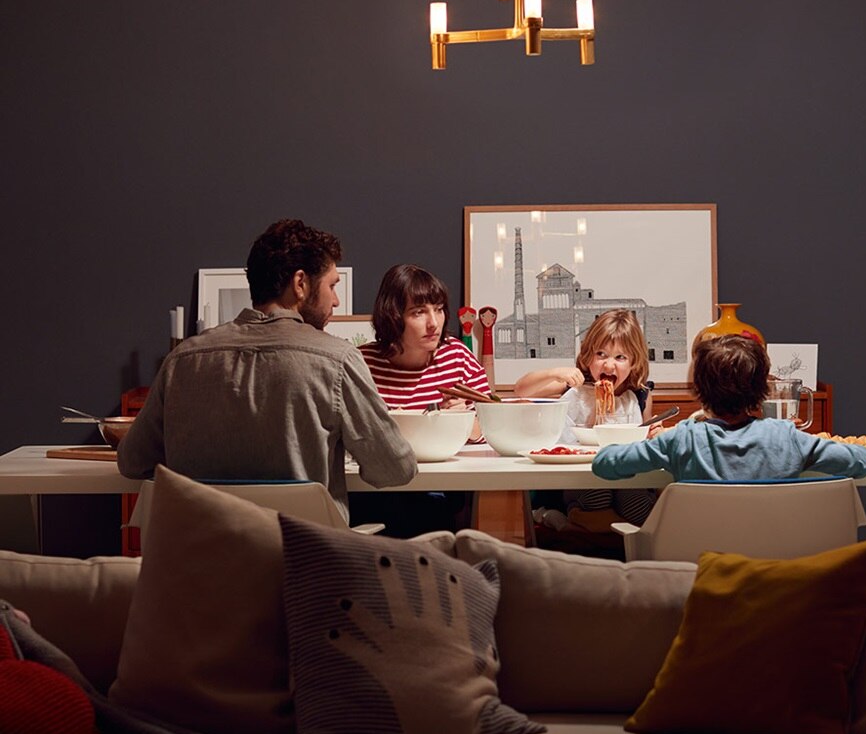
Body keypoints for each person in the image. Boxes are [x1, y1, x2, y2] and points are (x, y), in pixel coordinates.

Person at [117, 219, 417, 524]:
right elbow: (395, 468)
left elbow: (131, 462)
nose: (336, 300)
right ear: (300, 284)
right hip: (303, 564)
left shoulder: (182, 360)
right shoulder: (338, 360)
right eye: (332, 285)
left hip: (201, 563)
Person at [591, 333, 866, 524]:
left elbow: (605, 465)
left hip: (698, 567)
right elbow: (862, 462)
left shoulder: (682, 438)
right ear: (762, 390)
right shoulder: (786, 437)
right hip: (774, 565)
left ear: (699, 390)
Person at [349, 264, 491, 536]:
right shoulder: (361, 363)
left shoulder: (456, 356)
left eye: (438, 309)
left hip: (437, 487)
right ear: (393, 317)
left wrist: (462, 422)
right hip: (376, 486)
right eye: (418, 312)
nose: (434, 323)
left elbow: (488, 427)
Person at [514, 308, 657, 528]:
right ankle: (584, 522)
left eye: (620, 357)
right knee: (596, 496)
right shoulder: (575, 387)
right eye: (601, 354)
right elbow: (522, 390)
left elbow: (643, 436)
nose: (609, 365)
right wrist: (555, 372)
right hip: (581, 474)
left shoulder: (639, 395)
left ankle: (586, 525)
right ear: (587, 355)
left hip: (624, 473)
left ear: (634, 362)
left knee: (637, 504)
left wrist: (654, 433)